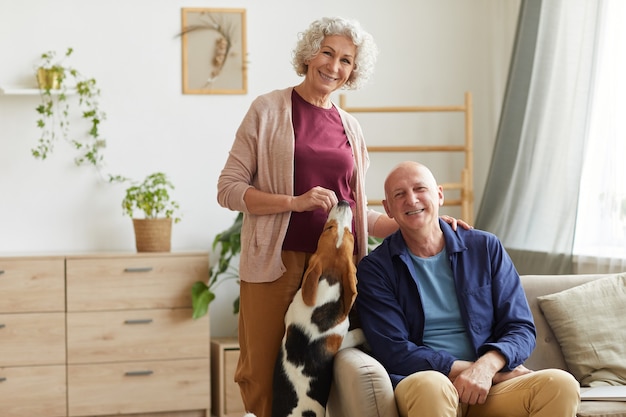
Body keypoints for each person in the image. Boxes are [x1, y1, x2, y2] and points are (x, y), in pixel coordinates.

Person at [217, 18, 466, 417]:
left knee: (321, 375)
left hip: (338, 268)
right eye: (327, 52)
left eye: (346, 60)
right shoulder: (267, 110)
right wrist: (295, 203)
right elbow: (228, 190)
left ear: (353, 71)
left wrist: (425, 220)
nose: (334, 66)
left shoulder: (350, 127)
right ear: (309, 53)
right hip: (277, 265)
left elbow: (355, 208)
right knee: (264, 373)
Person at [355, 161, 581, 417]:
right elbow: (394, 350)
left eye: (420, 189)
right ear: (388, 209)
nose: (411, 199)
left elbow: (520, 328)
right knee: (432, 385)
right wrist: (475, 370)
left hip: (489, 385)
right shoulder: (375, 269)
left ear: (439, 194)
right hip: (425, 382)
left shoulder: (485, 247)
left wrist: (487, 367)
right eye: (399, 194)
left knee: (560, 384)